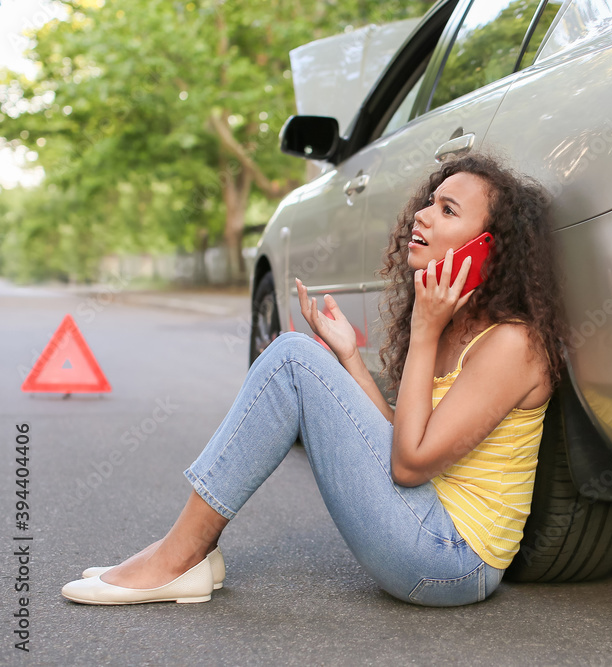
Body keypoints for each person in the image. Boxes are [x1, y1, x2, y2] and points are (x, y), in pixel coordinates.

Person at [61, 153, 566, 607]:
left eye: (448, 211)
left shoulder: (512, 344)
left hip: (453, 562)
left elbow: (409, 465)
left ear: (488, 250)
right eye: (430, 202)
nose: (422, 215)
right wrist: (349, 355)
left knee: (293, 360)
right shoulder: (455, 325)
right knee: (299, 356)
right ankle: (191, 551)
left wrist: (424, 330)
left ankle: (177, 556)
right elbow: (404, 439)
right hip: (427, 529)